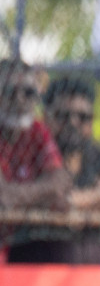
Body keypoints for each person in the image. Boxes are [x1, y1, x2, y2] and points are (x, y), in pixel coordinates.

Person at [8, 74, 100, 263]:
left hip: (86, 267)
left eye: (83, 117)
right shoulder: (31, 152)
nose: (73, 123)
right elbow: (51, 204)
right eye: (63, 116)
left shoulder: (94, 154)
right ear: (45, 117)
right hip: (35, 261)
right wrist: (99, 198)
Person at [0, 63, 71, 261]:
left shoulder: (37, 130)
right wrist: (43, 194)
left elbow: (60, 185)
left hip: (22, 242)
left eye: (28, 92)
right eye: (10, 92)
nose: (20, 100)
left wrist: (18, 195)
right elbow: (3, 198)